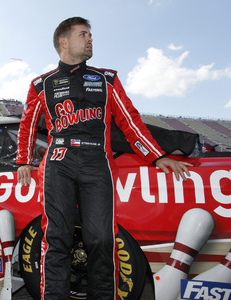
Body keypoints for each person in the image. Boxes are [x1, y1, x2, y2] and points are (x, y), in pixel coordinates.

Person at [16, 17, 191, 299]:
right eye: (83, 34)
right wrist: (23, 160)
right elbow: (27, 124)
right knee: (56, 237)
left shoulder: (106, 79)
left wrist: (157, 156)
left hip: (98, 161)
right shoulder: (41, 84)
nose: (90, 40)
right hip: (57, 161)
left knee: (101, 239)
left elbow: (129, 121)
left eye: (90, 35)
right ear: (63, 41)